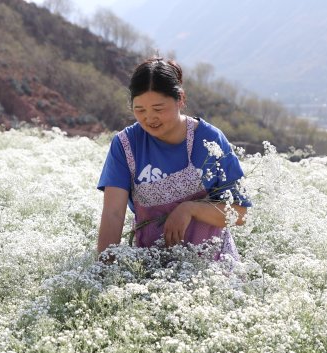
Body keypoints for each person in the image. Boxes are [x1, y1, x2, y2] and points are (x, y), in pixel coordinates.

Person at [96, 57, 251, 260]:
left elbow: (240, 213)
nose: (149, 118)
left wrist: (191, 209)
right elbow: (113, 214)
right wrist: (103, 271)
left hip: (211, 270)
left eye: (158, 109)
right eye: (140, 110)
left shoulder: (209, 140)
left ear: (180, 99)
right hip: (150, 266)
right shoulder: (126, 144)